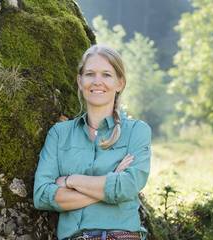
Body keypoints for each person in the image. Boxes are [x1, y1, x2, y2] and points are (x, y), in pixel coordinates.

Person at [33, 44, 152, 240]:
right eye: (90, 74)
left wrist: (71, 181)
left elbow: (128, 186)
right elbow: (42, 196)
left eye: (106, 75)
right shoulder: (59, 134)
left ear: (120, 83)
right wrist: (112, 178)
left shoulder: (137, 131)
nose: (97, 81)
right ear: (80, 81)